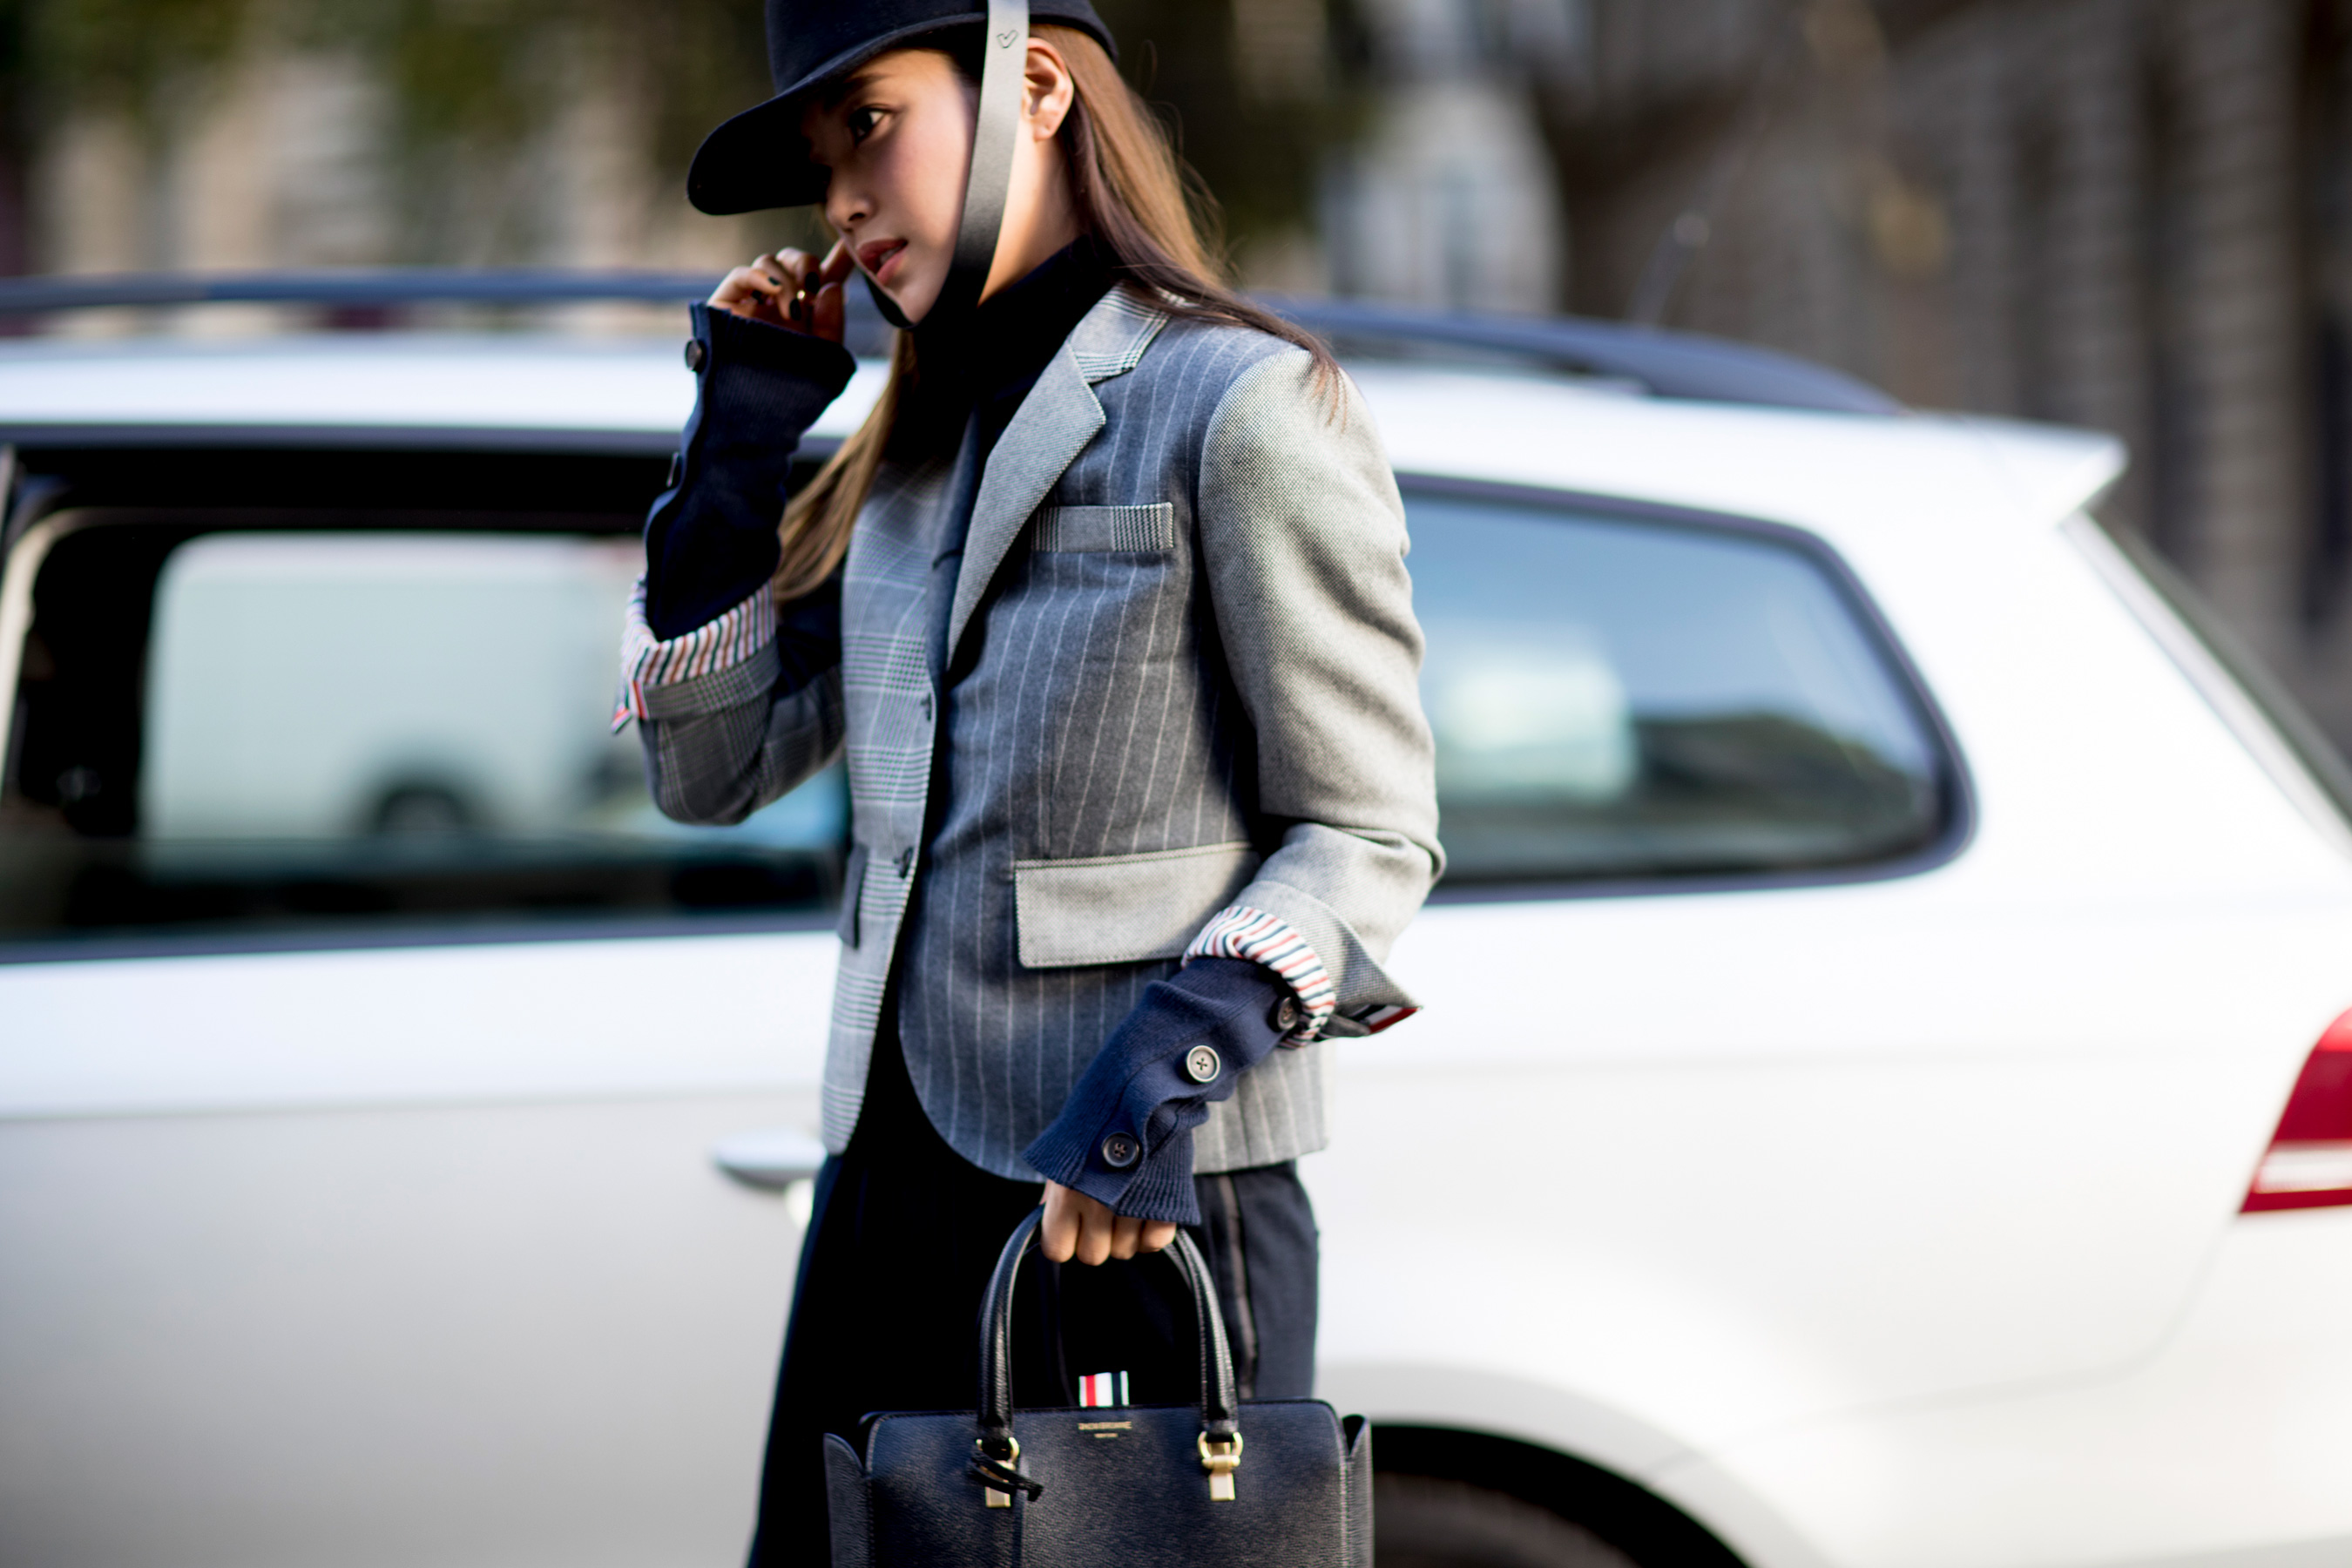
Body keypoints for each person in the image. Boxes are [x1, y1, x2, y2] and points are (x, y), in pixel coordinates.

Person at [616, 2, 1440, 1559]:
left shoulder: (1240, 402)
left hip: (1132, 1196)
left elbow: (1367, 830)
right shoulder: (906, 453)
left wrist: (1156, 1086)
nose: (841, 200)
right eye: (821, 161)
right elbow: (709, 775)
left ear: (1037, 87)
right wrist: (738, 439)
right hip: (886, 1190)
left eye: (869, 124)